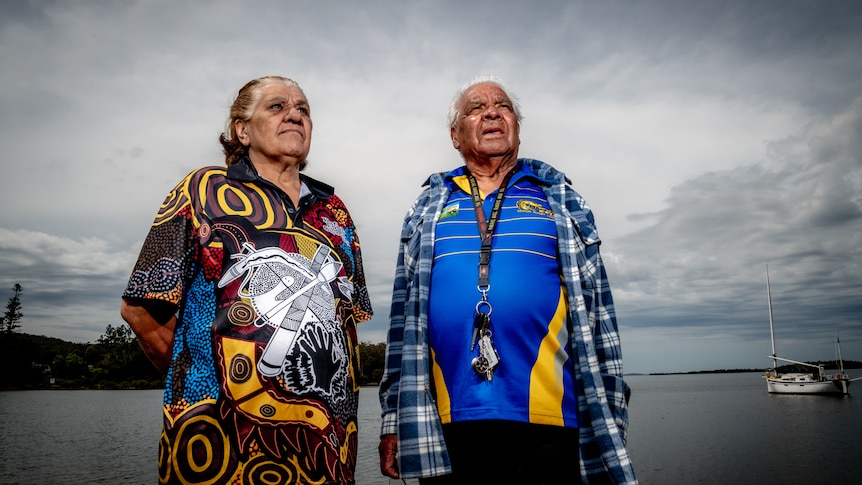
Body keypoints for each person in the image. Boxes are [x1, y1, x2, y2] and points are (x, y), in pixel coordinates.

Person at [377, 76, 637, 484]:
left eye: (503, 105)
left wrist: (612, 410)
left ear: (517, 125)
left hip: (551, 419)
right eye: (476, 108)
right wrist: (393, 417)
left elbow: (600, 316)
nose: (492, 111)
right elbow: (401, 322)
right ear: (454, 134)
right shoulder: (428, 205)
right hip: (446, 421)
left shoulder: (559, 198)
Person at [121, 75, 372, 485]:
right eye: (277, 106)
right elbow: (142, 309)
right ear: (242, 129)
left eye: (303, 109)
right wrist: (207, 378)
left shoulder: (335, 212)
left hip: (325, 450)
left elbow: (348, 322)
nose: (294, 114)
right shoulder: (202, 189)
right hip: (219, 447)